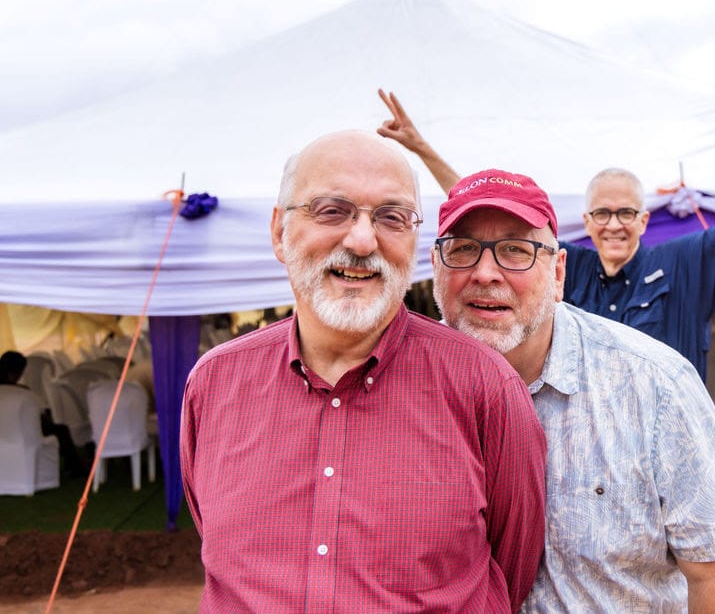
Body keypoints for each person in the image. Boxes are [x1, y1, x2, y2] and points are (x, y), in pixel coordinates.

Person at [180, 131, 547, 612]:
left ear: (414, 241)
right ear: (278, 231)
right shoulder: (214, 384)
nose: (361, 240)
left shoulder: (485, 387)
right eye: (332, 210)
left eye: (391, 217)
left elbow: (510, 571)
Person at [430, 169, 715, 612]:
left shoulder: (656, 385)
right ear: (435, 266)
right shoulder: (401, 385)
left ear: (558, 273)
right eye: (464, 249)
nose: (486, 272)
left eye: (516, 250)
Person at [377, 81, 715, 379]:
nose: (614, 224)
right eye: (603, 214)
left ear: (644, 220)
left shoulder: (682, 261)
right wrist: (422, 149)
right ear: (586, 223)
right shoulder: (565, 269)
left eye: (626, 213)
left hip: (670, 461)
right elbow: (495, 218)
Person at [0, 350, 88, 478]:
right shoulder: (22, 392)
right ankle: (75, 467)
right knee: (61, 429)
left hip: (4, 432)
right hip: (20, 434)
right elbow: (38, 412)